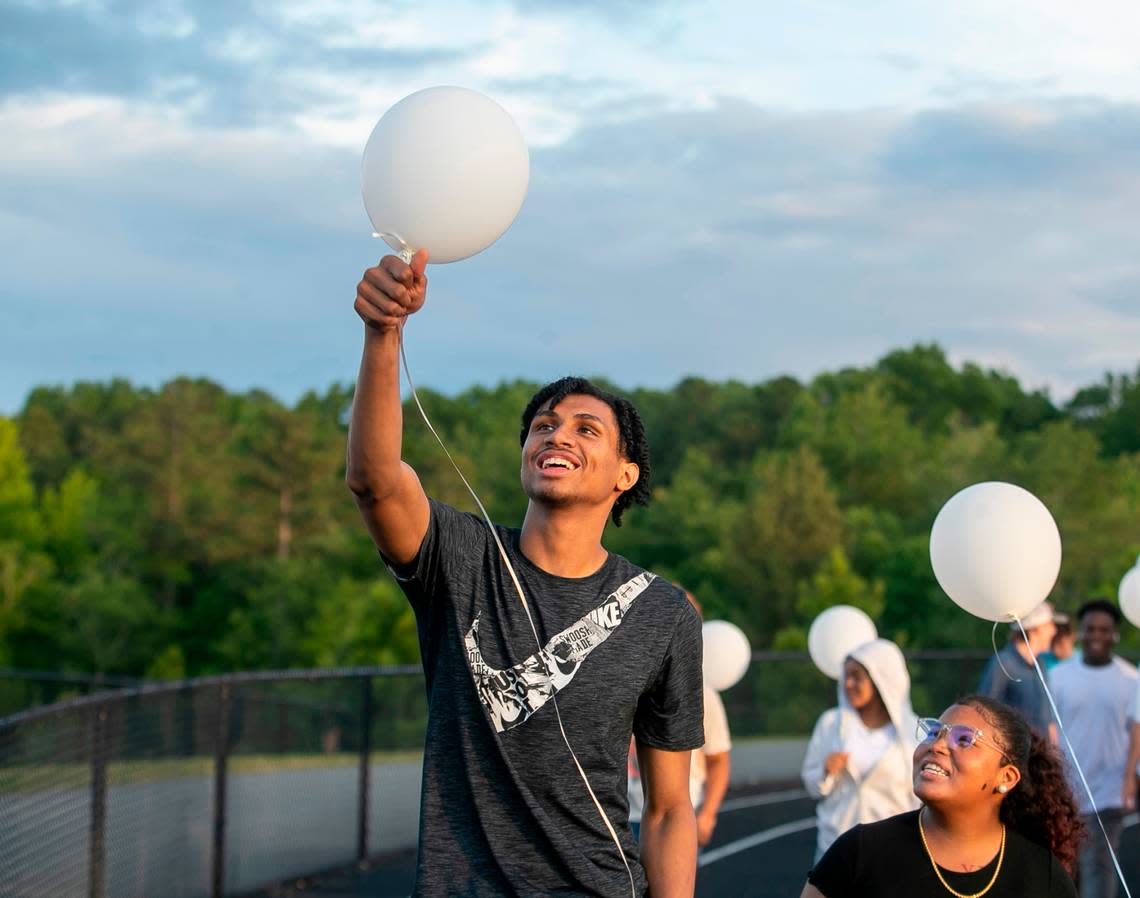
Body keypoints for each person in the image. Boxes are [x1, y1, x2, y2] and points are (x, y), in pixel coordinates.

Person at [346, 252, 704, 898]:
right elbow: (375, 482)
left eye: (585, 428)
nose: (557, 435)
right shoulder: (459, 558)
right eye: (543, 425)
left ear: (625, 476)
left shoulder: (662, 613)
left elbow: (669, 808)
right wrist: (383, 335)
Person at [801, 695, 1082, 898]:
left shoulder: (1042, 876)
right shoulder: (860, 851)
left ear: (1005, 778)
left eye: (964, 740)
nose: (937, 745)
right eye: (934, 732)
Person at [627, 591, 732, 848]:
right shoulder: (620, 682)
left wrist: (707, 814)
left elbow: (718, 760)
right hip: (622, 816)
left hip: (677, 816)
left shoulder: (704, 694)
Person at [801, 638, 920, 860]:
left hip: (892, 853)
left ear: (881, 680)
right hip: (834, 848)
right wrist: (825, 772)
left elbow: (922, 797)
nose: (848, 684)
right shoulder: (830, 724)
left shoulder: (914, 732)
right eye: (846, 676)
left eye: (857, 676)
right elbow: (812, 785)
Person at [1052, 600, 1137, 898]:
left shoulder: (1130, 679)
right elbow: (1049, 729)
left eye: (1104, 630)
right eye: (1090, 629)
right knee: (1064, 869)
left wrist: (1131, 778)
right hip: (1067, 790)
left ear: (1114, 635)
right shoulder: (1059, 676)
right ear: (1081, 633)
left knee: (1099, 868)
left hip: (1110, 793)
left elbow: (1136, 731)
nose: (1097, 635)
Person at [978, 600, 1057, 737]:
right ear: (1034, 629)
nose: (1054, 630)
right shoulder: (1003, 662)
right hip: (1016, 753)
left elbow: (1047, 718)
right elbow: (985, 711)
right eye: (1049, 625)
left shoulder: (1040, 664)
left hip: (1040, 753)